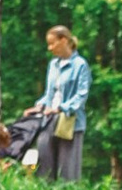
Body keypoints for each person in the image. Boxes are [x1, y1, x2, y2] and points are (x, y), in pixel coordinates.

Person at [35, 25, 91, 181]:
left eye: (52, 43)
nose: (49, 48)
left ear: (64, 40)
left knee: (67, 170)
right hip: (49, 118)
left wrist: (60, 108)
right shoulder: (53, 65)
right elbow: (49, 94)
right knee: (44, 162)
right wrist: (38, 106)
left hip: (69, 121)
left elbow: (81, 95)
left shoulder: (80, 65)